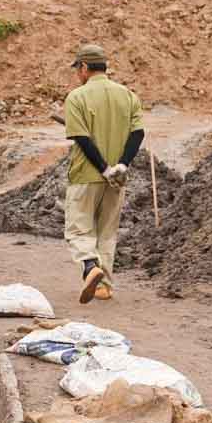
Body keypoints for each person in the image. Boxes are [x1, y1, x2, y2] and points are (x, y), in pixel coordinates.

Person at [60, 43, 144, 304]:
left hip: (86, 175)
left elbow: (82, 139)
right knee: (107, 232)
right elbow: (138, 133)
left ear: (84, 67)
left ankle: (89, 267)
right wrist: (122, 165)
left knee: (79, 228)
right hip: (117, 179)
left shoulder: (77, 97)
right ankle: (104, 287)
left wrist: (103, 168)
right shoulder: (128, 95)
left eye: (78, 69)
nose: (78, 74)